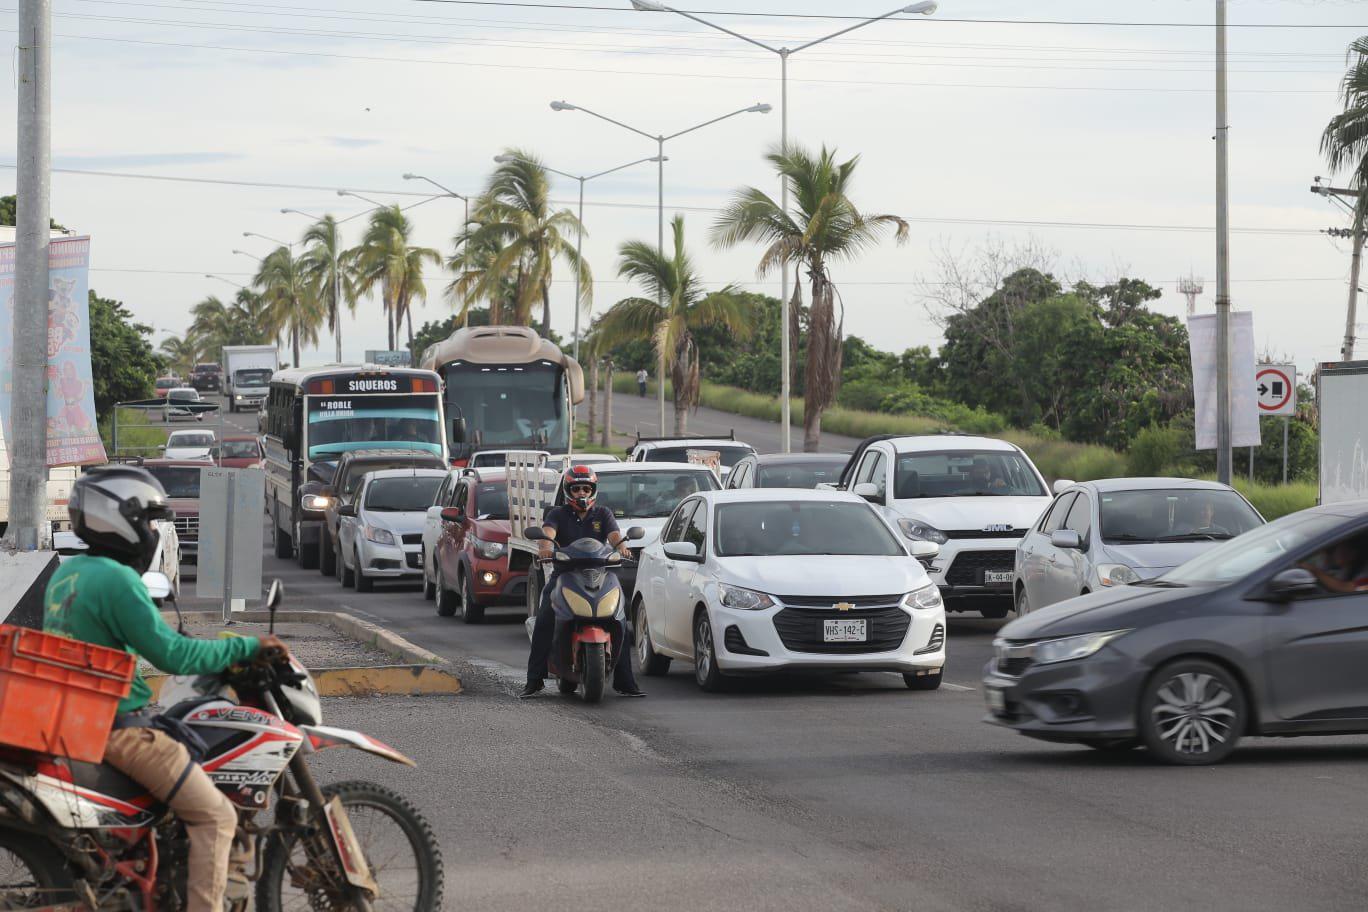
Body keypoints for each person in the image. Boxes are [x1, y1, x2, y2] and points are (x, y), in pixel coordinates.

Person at [43, 466, 290, 912]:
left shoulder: (69, 574)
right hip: (120, 732)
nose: (152, 532)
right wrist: (249, 647)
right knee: (216, 817)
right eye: (148, 520)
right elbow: (173, 655)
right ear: (122, 518)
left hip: (79, 723)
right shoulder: (117, 581)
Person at [521, 465, 645, 699]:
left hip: (600, 574)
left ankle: (626, 682)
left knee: (620, 619)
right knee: (545, 618)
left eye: (586, 488)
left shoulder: (603, 514)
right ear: (568, 491)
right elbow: (548, 535)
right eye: (576, 488)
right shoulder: (556, 514)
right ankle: (533, 680)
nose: (581, 493)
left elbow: (615, 536)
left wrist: (623, 548)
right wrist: (545, 549)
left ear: (593, 490)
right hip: (564, 575)